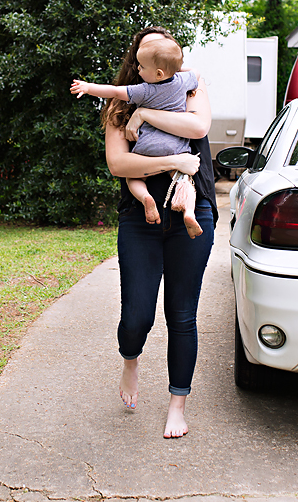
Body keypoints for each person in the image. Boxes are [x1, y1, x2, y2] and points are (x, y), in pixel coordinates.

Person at [97, 26, 218, 438]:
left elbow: (198, 129)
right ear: (139, 61)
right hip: (140, 218)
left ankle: (177, 405)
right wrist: (174, 164)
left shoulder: (190, 85)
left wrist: (146, 116)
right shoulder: (118, 106)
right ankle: (130, 360)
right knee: (136, 315)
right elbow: (119, 165)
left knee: (181, 315)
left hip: (192, 211)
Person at [70, 36, 203, 237]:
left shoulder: (144, 90)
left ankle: (145, 198)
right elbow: (197, 73)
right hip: (176, 146)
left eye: (141, 66)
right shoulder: (183, 82)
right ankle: (190, 212)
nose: (138, 69)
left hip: (147, 146)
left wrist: (88, 88)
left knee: (133, 177)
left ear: (158, 73)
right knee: (184, 181)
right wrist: (175, 69)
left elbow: (114, 91)